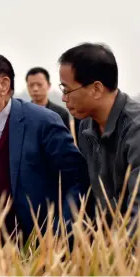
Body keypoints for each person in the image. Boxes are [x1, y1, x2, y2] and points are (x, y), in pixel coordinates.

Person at [0, 53, 90, 246]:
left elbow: (77, 179)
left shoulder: (43, 121)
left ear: (3, 85)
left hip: (43, 241)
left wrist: (61, 231)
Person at [59, 42, 140, 230]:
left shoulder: (135, 129)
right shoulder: (86, 126)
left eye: (67, 90)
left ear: (96, 89)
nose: (64, 98)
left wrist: (116, 256)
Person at [26, 67, 71, 131]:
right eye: (31, 85)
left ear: (49, 85)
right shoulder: (21, 114)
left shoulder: (60, 113)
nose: (35, 89)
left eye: (39, 84)